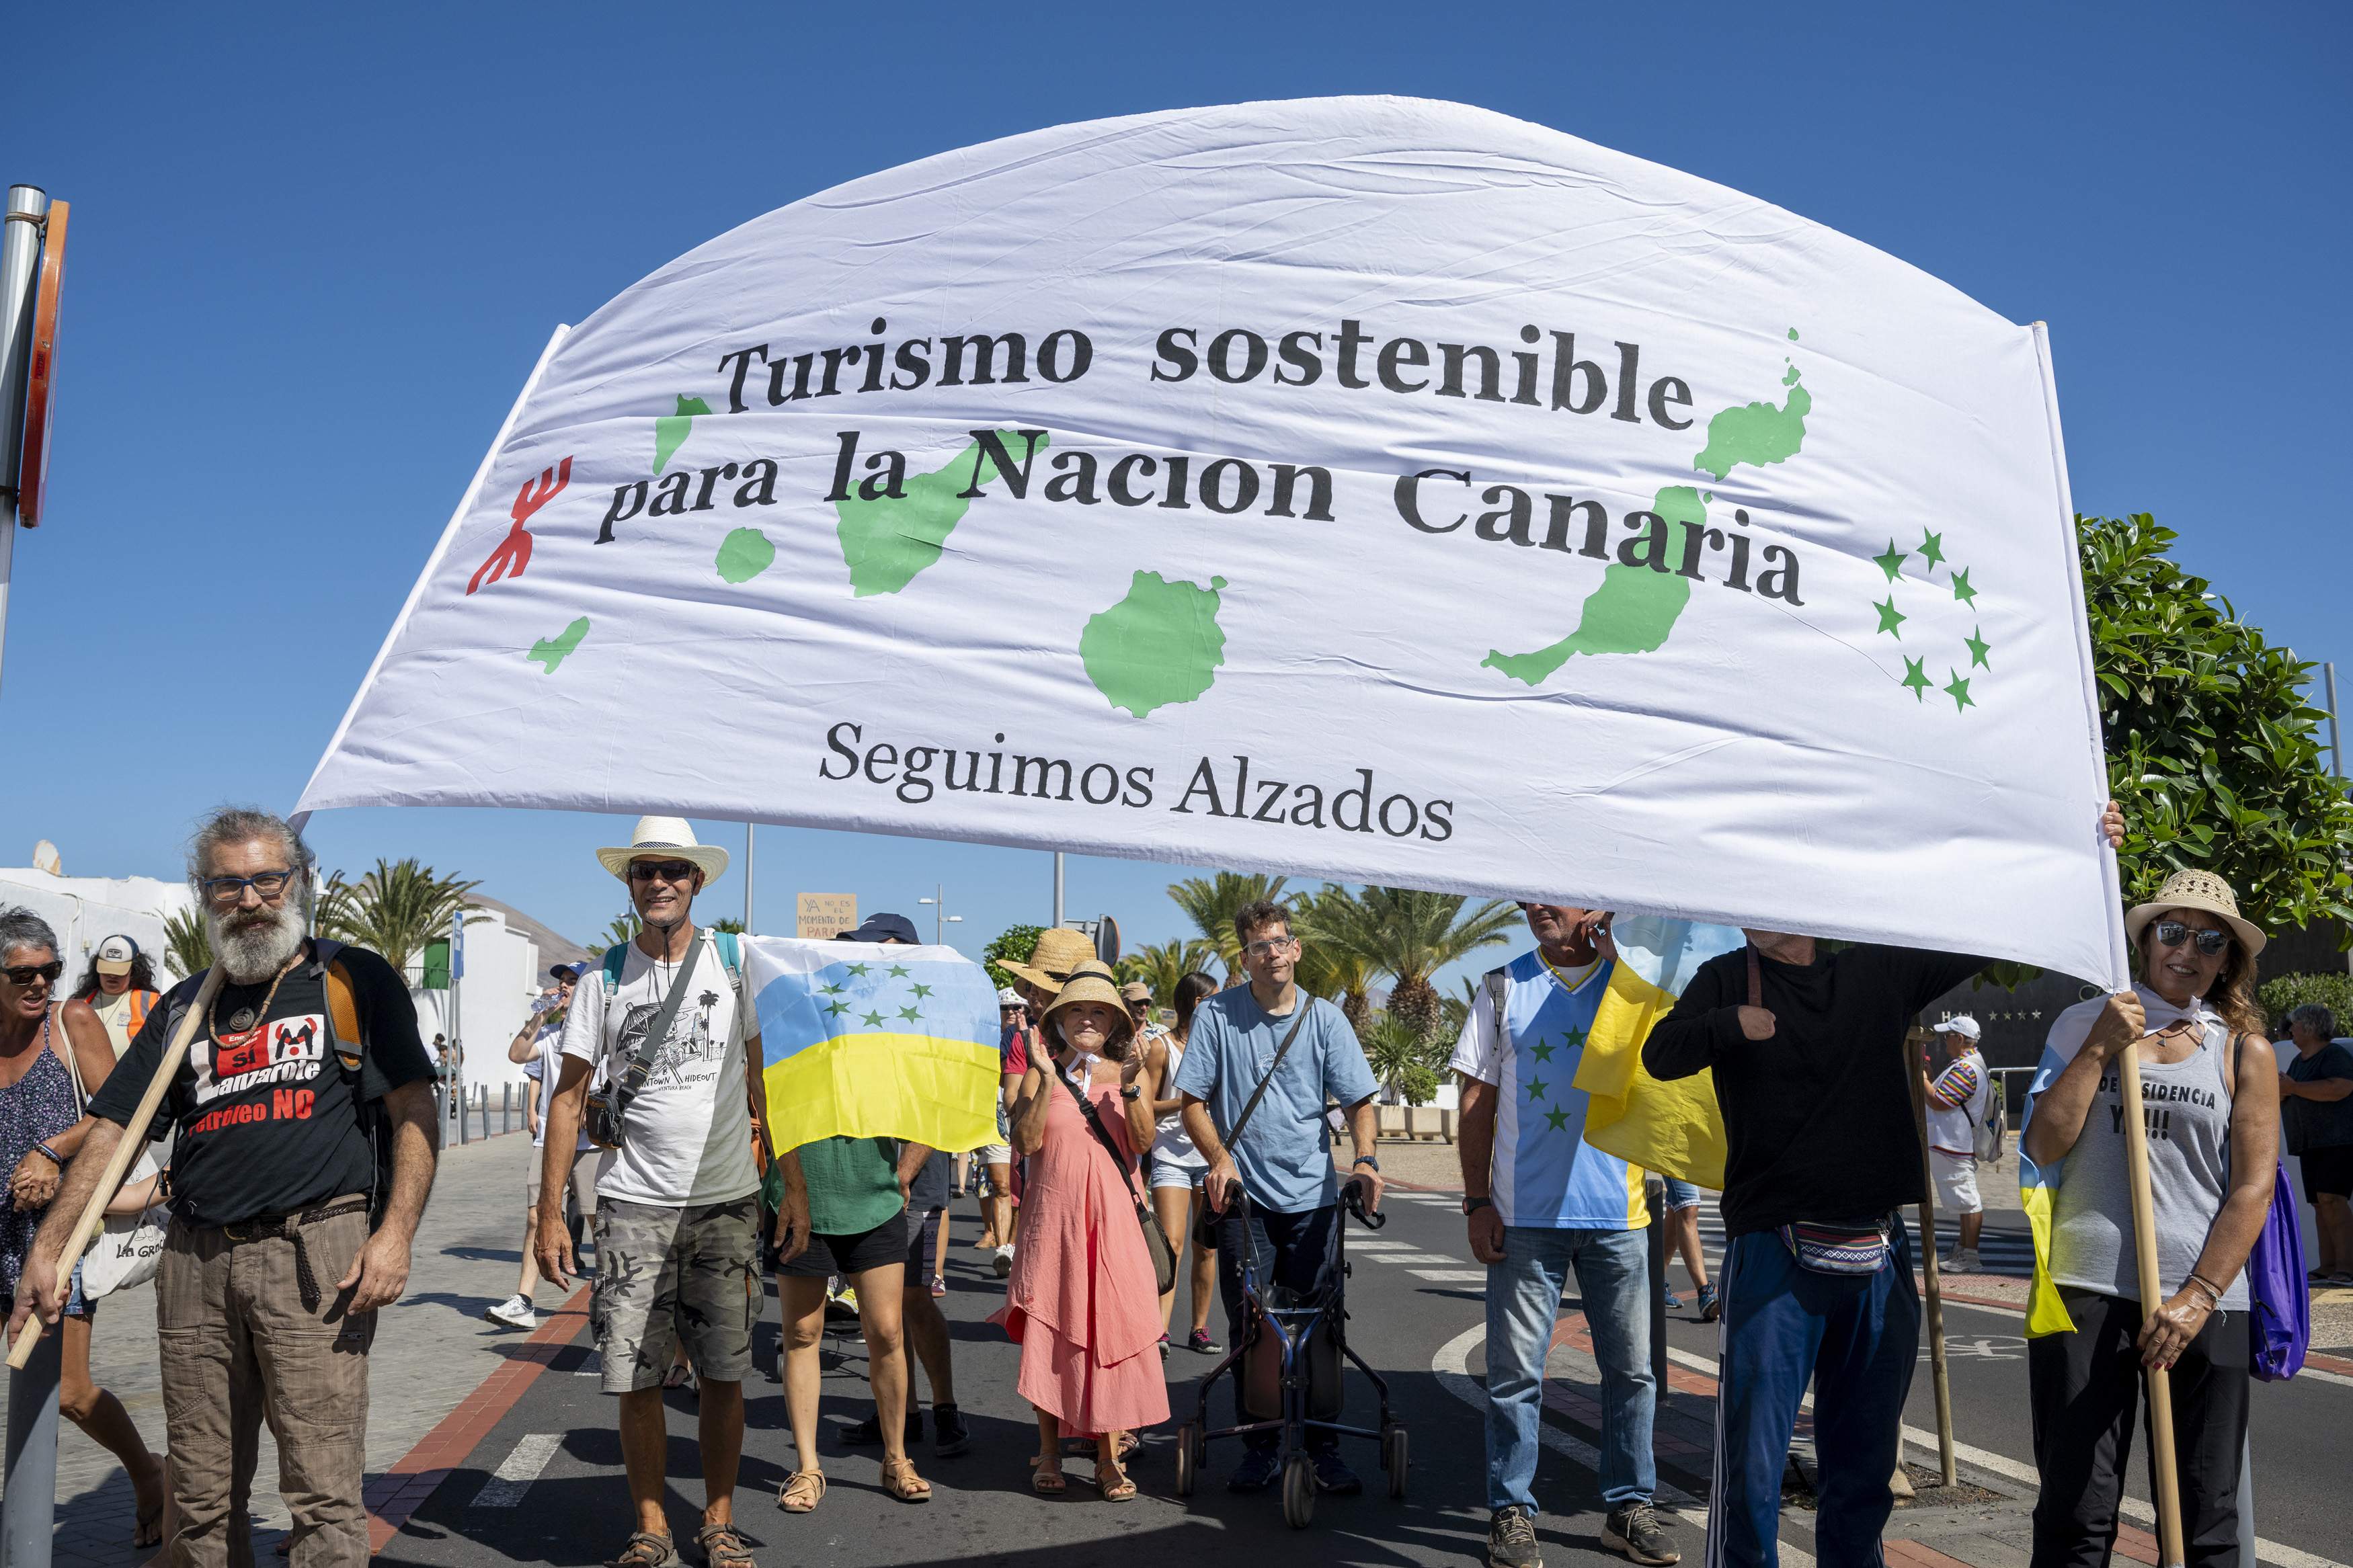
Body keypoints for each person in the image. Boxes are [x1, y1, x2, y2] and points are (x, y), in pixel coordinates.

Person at [1647, 804, 2124, 1568]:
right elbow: (1659, 1055)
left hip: (1877, 1247)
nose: (1755, 910)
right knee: (1750, 1465)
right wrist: (1729, 1023)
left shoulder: (1872, 965)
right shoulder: (1723, 977)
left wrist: (2074, 836)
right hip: (1772, 1248)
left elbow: (1982, 922)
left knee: (1864, 1465)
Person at [13, 808, 441, 1568]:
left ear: (300, 881)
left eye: (266, 879)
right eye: (227, 883)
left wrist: (396, 1233)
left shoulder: (351, 978)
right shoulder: (183, 1006)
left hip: (315, 1255)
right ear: (203, 894)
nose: (249, 898)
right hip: (195, 1262)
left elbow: (413, 1109)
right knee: (203, 1498)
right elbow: (114, 1130)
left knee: (321, 1491)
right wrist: (50, 1249)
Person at [534, 817, 785, 1568]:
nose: (660, 882)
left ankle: (716, 1519)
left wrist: (790, 1187)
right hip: (632, 1207)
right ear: (630, 881)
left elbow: (770, 1083)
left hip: (726, 1200)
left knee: (724, 1371)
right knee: (634, 1375)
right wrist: (549, 1214)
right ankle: (651, 1526)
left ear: (697, 881)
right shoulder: (602, 977)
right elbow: (567, 1101)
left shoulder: (735, 962)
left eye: (674, 870)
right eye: (646, 870)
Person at [2021, 870, 2278, 1568]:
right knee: (2076, 1509)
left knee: (2205, 1519)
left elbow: (2252, 1185)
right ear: (2142, 937)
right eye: (2171, 930)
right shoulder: (2081, 1021)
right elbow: (2042, 1143)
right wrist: (2101, 1045)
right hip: (2087, 1285)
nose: (2185, 950)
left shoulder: (2241, 1048)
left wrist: (2196, 1296)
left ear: (2226, 958)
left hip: (2203, 1300)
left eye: (2208, 939)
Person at [1452, 905, 1678, 1568]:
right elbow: (1474, 1100)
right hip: (1525, 1218)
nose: (1537, 906)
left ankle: (1629, 1505)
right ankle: (1510, 1512)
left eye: (1554, 890)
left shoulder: (1634, 982)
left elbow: (1677, 1061)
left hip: (1621, 1215)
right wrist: (1476, 1201)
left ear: (1596, 905)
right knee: (1515, 1374)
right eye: (1527, 896)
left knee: (1632, 1373)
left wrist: (1627, 965)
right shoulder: (1501, 984)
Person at [1177, 898, 1384, 1496]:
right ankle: (1260, 1443)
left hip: (1315, 1200)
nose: (1273, 952)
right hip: (1246, 1203)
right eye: (1259, 945)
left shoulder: (1325, 1019)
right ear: (1245, 959)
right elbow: (1193, 1101)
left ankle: (1323, 1445)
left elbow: (1358, 1100)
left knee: (1320, 1324)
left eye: (1280, 941)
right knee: (1252, 1325)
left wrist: (1366, 1159)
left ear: (1297, 949)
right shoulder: (1218, 1015)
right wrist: (1221, 1158)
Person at [0, 909, 167, 1547]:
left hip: (58, 1234)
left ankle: (149, 1475)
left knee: (67, 1390)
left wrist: (50, 1149)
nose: (40, 982)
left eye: (50, 969)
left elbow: (120, 1120)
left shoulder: (70, 1023)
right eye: (23, 972)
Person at [994, 960, 1166, 1499]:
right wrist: (1045, 1077)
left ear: (1114, 1021)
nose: (1088, 1019)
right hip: (1055, 1223)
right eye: (1078, 1011)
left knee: (1112, 1335)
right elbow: (1023, 1142)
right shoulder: (1041, 1071)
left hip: (1114, 1228)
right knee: (1053, 1331)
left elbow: (1141, 1144)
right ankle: (1048, 1451)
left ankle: (1109, 1457)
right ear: (1061, 1018)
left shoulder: (1127, 1077)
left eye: (1098, 1011)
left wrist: (1135, 1085)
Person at [834, 914, 969, 1462]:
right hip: (870, 1176)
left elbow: (938, 1105)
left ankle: (947, 1411)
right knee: (880, 1308)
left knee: (912, 1299)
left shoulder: (928, 1013)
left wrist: (905, 1174)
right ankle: (903, 1413)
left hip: (913, 1175)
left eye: (875, 949)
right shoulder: (865, 1008)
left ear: (901, 950)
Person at [487, 962, 599, 1329]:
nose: (566, 986)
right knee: (537, 1216)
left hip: (592, 1141)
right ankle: (524, 1301)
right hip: (549, 1139)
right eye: (564, 981)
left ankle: (608, 1293)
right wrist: (539, 1014)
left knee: (599, 1219)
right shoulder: (551, 1035)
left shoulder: (601, 1033)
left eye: (573, 981)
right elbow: (517, 1054)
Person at [1145, 971, 1221, 1356]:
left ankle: (1200, 1328)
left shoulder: (1221, 1046)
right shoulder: (1162, 1047)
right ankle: (1159, 1331)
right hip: (1171, 1155)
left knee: (1206, 1248)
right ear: (1197, 1003)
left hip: (1209, 1159)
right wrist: (1188, 1102)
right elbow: (1148, 1108)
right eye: (1216, 998)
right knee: (1172, 1244)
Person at [2278, 1001, 2353, 1284]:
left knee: (2333, 1200)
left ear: (2309, 1027)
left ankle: (2346, 1267)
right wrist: (2285, 1090)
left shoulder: (2333, 1055)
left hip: (2337, 1141)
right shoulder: (2299, 1061)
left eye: (2295, 1024)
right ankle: (2329, 1266)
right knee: (2321, 1204)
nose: (2291, 1029)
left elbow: (2341, 1088)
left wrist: (2293, 1087)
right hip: (2311, 1144)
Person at [1923, 1015, 1992, 1273]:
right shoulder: (1967, 1064)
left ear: (1960, 1039)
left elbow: (1940, 1101)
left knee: (1968, 1199)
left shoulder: (1966, 1068)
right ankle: (1964, 1249)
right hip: (1954, 1142)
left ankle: (1970, 1254)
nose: (1945, 1041)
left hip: (1954, 1143)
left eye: (1947, 1036)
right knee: (1965, 1200)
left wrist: (1923, 1080)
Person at [972, 986, 1031, 1264]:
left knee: (1023, 1187)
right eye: (1007, 1008)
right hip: (996, 1113)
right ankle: (1001, 1245)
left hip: (1025, 1117)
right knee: (1001, 1185)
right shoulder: (987, 1038)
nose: (1013, 1013)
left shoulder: (1033, 1036)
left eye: (1019, 1008)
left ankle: (1013, 1244)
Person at [69, 934, 162, 1059]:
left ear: (133, 971)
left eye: (119, 971)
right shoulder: (79, 1003)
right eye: (107, 970)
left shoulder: (153, 1002)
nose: (112, 976)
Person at [1658, 1178, 1716, 1321]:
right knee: (1687, 1205)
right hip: (1676, 1156)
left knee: (1675, 1208)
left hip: (1690, 1157)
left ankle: (1654, 1284)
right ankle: (1704, 1293)